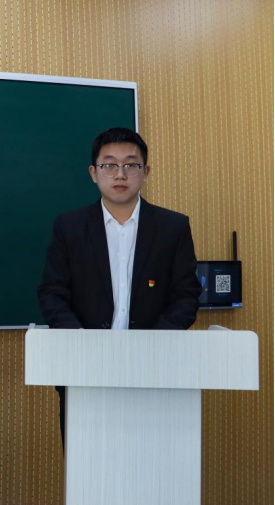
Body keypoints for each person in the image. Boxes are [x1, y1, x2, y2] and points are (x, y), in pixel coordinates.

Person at [37, 127, 202, 447]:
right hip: (84, 370)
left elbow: (186, 295)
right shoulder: (69, 226)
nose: (120, 174)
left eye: (131, 165)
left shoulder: (173, 227)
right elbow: (52, 292)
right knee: (87, 466)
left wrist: (152, 344)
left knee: (151, 461)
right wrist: (80, 340)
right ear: (93, 173)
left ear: (146, 172)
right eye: (109, 164)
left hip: (154, 370)